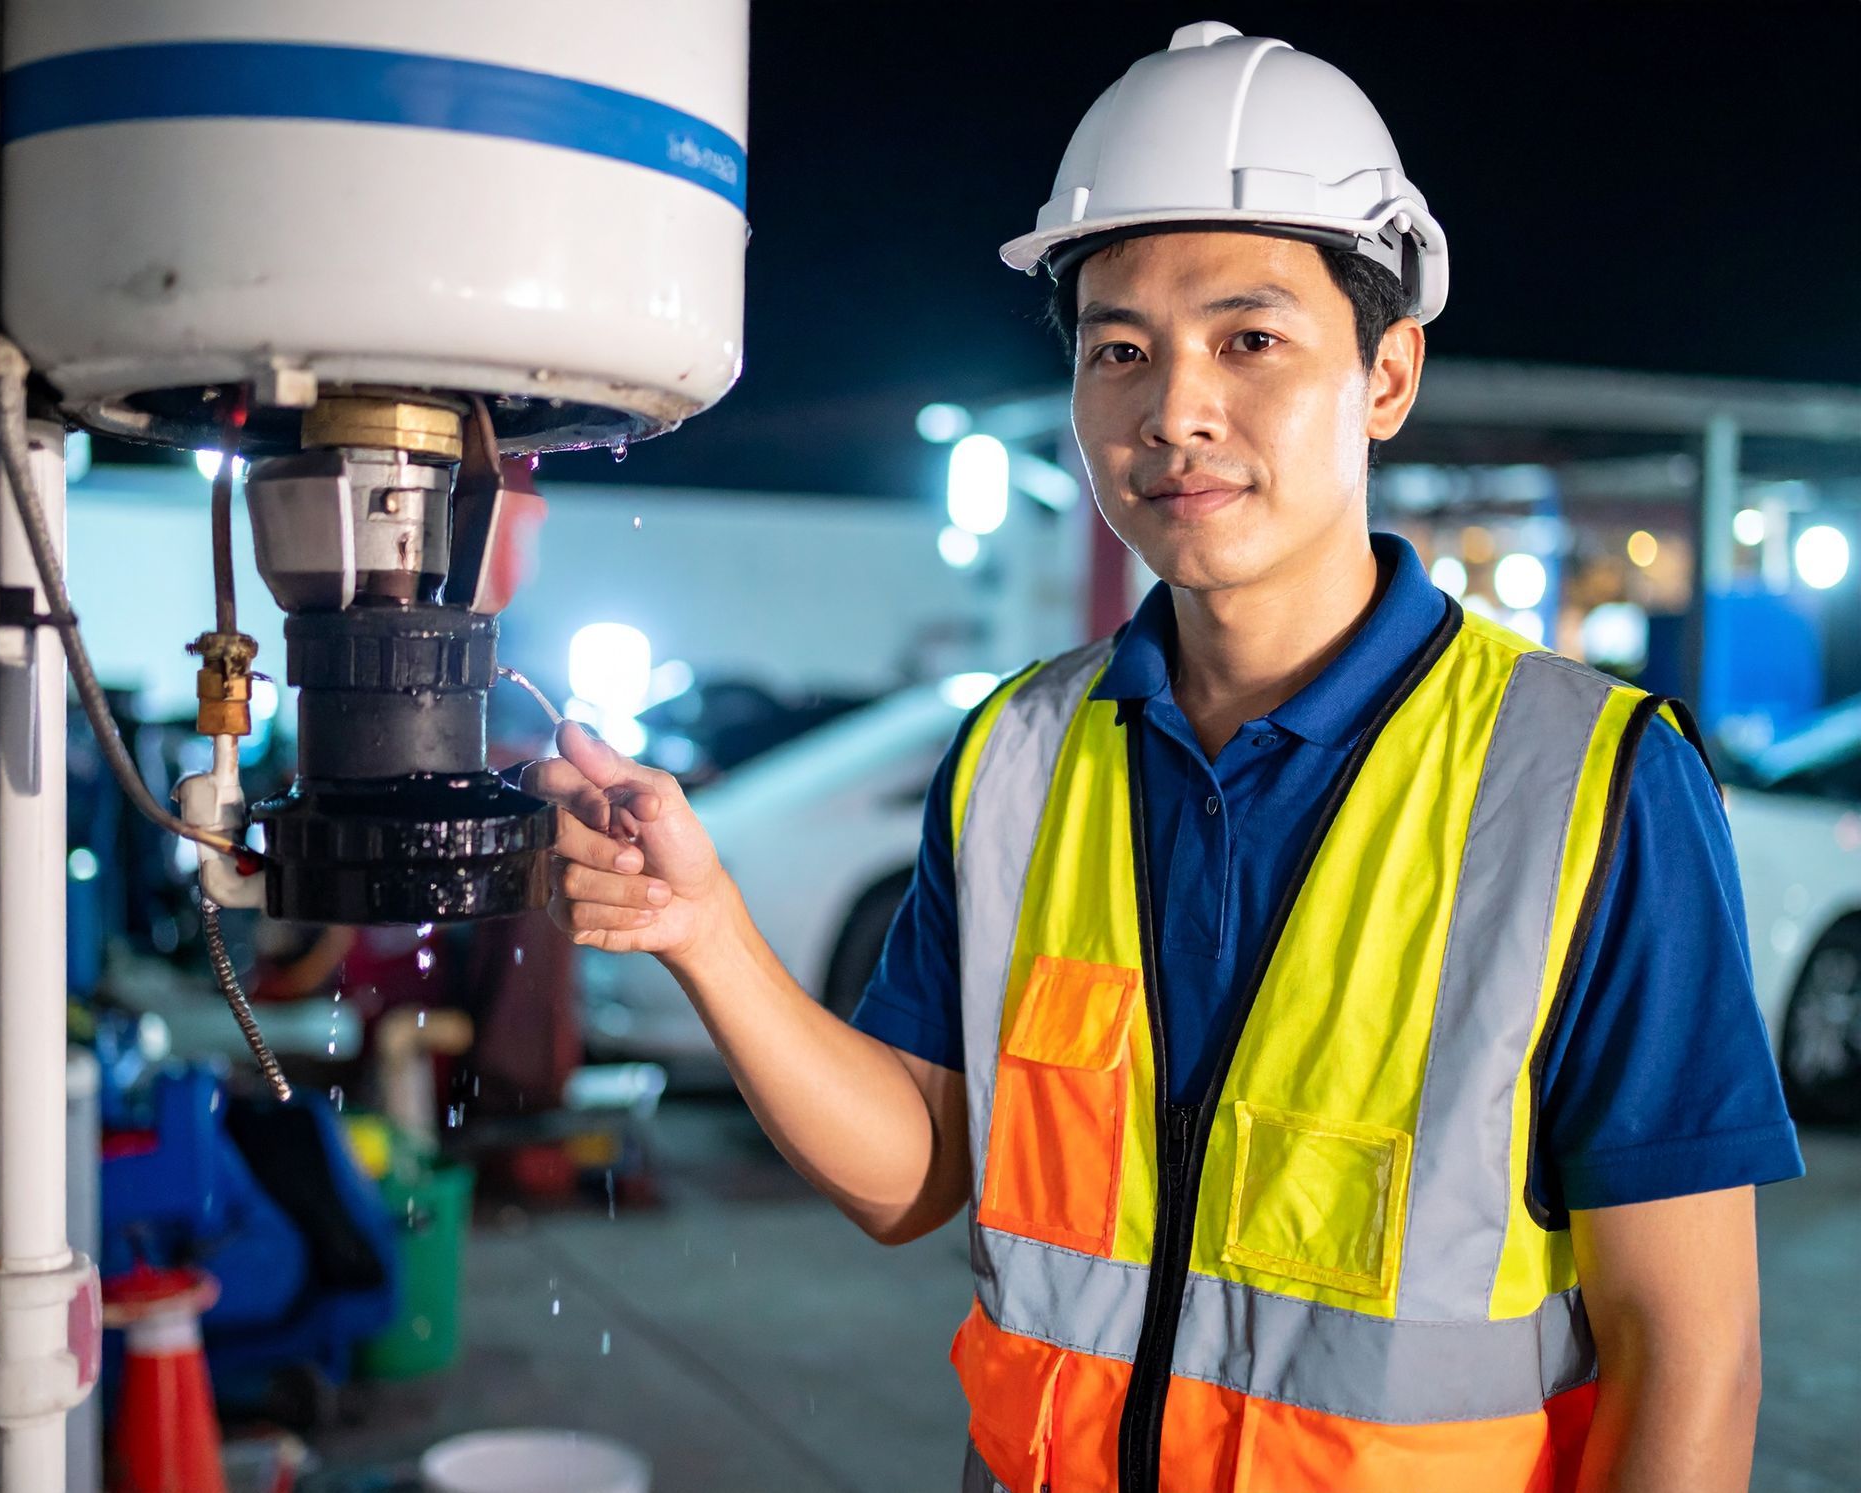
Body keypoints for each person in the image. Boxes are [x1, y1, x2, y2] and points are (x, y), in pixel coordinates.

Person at [524, 22, 1802, 1493]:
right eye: (1119, 349)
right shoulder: (1016, 755)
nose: (1174, 407)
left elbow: (1690, 1356)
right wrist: (709, 935)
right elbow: (917, 1172)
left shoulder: (1597, 786)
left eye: (1250, 339)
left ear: (1387, 375)